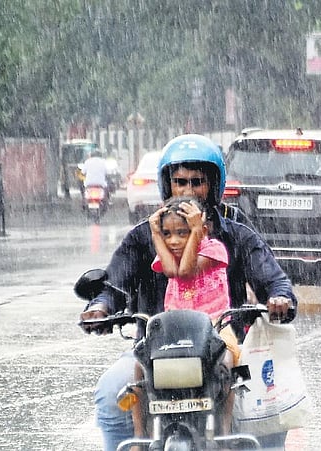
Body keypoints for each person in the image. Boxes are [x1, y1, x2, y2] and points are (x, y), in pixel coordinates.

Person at [79, 134, 297, 451]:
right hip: (153, 352)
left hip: (221, 346)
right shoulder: (143, 236)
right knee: (111, 393)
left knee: (270, 402)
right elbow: (115, 283)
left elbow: (273, 280)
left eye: (198, 182)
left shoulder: (237, 235)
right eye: (180, 182)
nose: (189, 191)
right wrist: (100, 307)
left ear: (214, 186)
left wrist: (280, 300)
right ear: (167, 186)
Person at [130, 196, 240, 438]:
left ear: (204, 228)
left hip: (215, 325)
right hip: (174, 329)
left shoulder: (213, 249)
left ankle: (224, 430)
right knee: (139, 367)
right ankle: (140, 433)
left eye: (183, 232)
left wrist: (197, 232)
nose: (174, 241)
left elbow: (186, 271)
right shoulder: (168, 255)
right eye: (167, 234)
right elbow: (172, 271)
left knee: (228, 363)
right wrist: (155, 233)